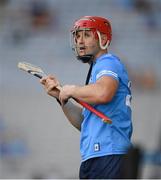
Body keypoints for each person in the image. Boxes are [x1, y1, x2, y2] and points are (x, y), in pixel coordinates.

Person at [40, 16, 133, 179]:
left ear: (103, 39)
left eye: (86, 35)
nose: (79, 41)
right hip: (95, 157)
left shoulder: (107, 62)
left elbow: (104, 93)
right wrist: (60, 97)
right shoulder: (95, 71)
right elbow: (83, 123)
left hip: (109, 154)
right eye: (77, 36)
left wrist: (73, 89)